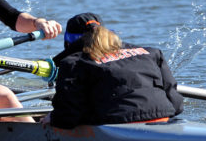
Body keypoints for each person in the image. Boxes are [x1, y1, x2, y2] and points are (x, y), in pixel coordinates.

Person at [48, 13, 183, 128]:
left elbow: (67, 118)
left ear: (69, 42)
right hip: (164, 118)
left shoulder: (73, 63)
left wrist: (52, 118)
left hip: (117, 123)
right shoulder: (151, 52)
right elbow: (176, 104)